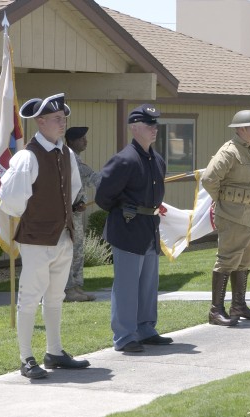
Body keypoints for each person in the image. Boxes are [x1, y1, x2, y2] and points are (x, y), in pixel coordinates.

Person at [0, 93, 90, 379]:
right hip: (36, 239)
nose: (62, 123)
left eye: (63, 118)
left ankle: (55, 351)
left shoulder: (66, 153)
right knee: (29, 298)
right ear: (40, 122)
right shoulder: (27, 156)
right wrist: (38, 215)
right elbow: (10, 199)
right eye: (56, 119)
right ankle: (26, 358)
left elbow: (73, 188)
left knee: (55, 296)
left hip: (63, 236)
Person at [95, 104, 173, 352]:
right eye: (149, 125)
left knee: (148, 284)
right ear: (134, 127)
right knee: (127, 286)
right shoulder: (124, 159)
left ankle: (145, 328)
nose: (154, 129)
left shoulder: (156, 160)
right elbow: (102, 195)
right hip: (128, 230)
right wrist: (122, 209)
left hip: (149, 228)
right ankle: (125, 336)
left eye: (155, 125)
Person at [201, 110, 250, 326]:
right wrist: (223, 202)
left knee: (246, 258)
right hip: (232, 216)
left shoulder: (248, 151)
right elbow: (209, 179)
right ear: (241, 129)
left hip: (248, 215)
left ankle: (238, 305)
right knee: (227, 259)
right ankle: (215, 311)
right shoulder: (229, 152)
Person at [64, 126, 101, 302]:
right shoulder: (71, 161)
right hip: (67, 217)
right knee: (70, 252)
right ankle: (68, 289)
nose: (85, 141)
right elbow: (96, 179)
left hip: (75, 214)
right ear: (71, 141)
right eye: (81, 138)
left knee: (77, 251)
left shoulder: (73, 160)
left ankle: (76, 287)